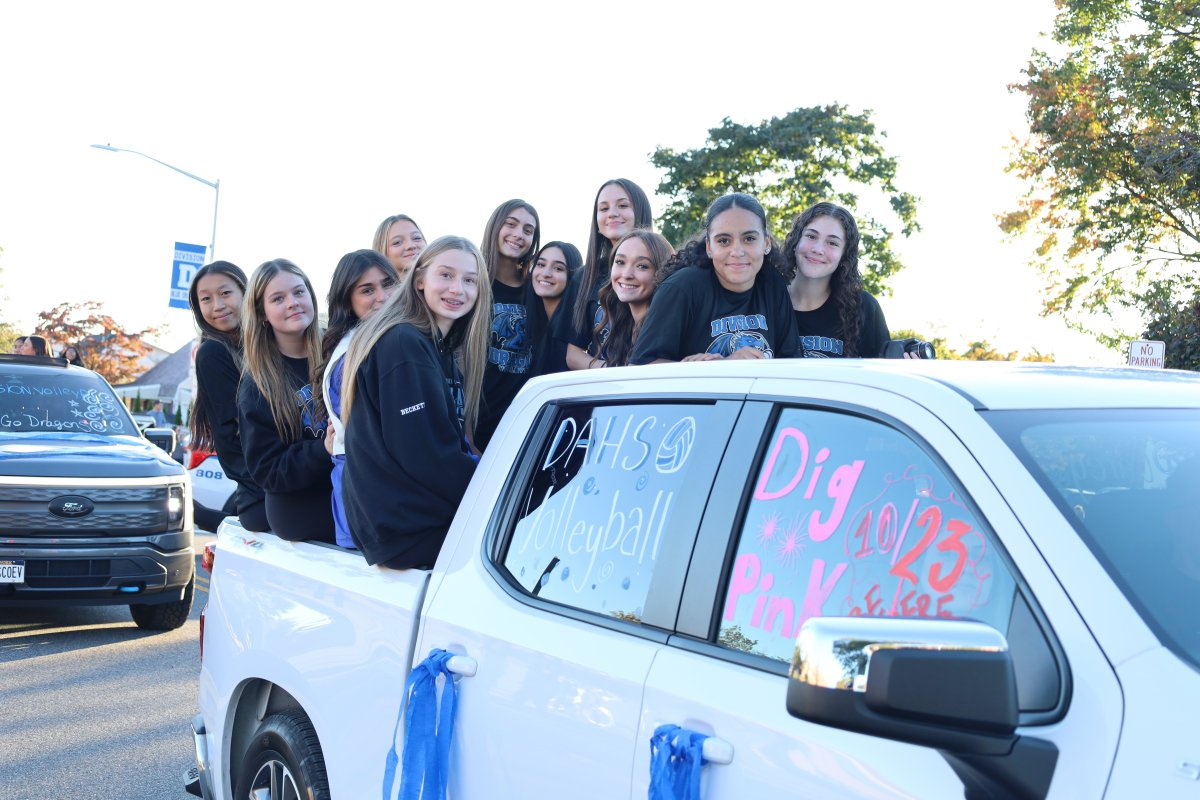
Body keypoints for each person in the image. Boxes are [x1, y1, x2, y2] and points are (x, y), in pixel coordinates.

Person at [340, 236, 492, 569]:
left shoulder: (432, 347)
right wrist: (497, 489)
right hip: (408, 531)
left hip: (407, 523)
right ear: (420, 279)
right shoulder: (404, 343)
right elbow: (426, 455)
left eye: (470, 280)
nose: (458, 289)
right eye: (447, 275)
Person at [631, 193, 800, 363]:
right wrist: (718, 366)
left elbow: (790, 360)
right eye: (724, 241)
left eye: (749, 239)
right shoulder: (681, 288)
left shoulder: (772, 283)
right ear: (709, 247)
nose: (737, 252)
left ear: (766, 243)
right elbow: (640, 367)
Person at [239, 259, 335, 543]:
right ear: (262, 313)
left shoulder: (339, 351)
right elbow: (267, 470)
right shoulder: (257, 384)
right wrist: (323, 449)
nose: (292, 302)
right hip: (302, 508)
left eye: (298, 292)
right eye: (278, 298)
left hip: (352, 489)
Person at [313, 249, 399, 549]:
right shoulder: (355, 353)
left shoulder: (379, 339)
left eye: (388, 283)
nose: (383, 296)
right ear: (347, 300)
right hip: (367, 497)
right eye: (367, 290)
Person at [188, 261, 268, 532]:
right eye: (206, 299)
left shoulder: (267, 343)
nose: (217, 306)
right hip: (265, 486)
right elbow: (232, 434)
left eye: (225, 293)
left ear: (246, 293)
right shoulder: (212, 353)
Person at [560, 179, 653, 370]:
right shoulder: (585, 277)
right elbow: (573, 353)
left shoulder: (667, 269)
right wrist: (611, 372)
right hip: (605, 388)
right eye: (603, 209)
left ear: (640, 210)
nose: (612, 213)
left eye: (623, 205)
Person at [783, 202, 892, 358]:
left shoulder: (863, 307)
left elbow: (883, 375)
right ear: (796, 241)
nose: (817, 249)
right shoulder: (767, 300)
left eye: (832, 243)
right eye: (811, 236)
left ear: (844, 255)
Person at [475, 199, 540, 450]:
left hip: (524, 422)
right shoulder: (474, 282)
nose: (518, 235)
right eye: (510, 224)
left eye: (528, 230)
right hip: (477, 423)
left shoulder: (536, 287)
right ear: (495, 227)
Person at [584, 230, 674, 368]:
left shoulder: (669, 329)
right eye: (620, 262)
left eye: (642, 266)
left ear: (662, 272)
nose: (626, 274)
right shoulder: (622, 324)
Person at [528, 241, 582, 376]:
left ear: (572, 276)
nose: (546, 273)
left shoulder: (577, 329)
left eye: (558, 268)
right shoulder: (527, 318)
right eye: (540, 264)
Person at [372, 214, 427, 284]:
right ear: (382, 251)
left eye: (416, 238)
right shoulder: (382, 294)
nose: (410, 246)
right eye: (397, 242)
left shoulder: (440, 287)